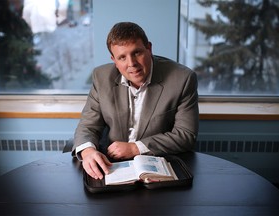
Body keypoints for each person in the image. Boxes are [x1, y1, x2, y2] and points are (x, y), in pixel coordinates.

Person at [72, 22, 199, 180]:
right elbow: (88, 125)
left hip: (158, 163)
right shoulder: (101, 77)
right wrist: (88, 151)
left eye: (137, 52)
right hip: (112, 164)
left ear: (149, 48)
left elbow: (185, 135)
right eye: (122, 57)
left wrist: (135, 148)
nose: (132, 64)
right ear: (114, 61)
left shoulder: (182, 79)